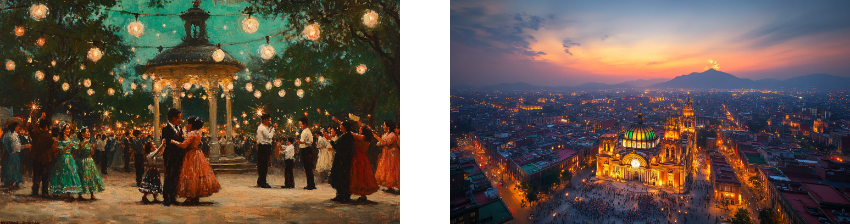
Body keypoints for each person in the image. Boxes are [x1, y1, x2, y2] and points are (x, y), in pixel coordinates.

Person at [172, 117, 221, 205]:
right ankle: (195, 196)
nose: (186, 125)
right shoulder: (197, 133)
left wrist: (173, 142)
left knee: (191, 174)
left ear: (191, 125)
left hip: (191, 155)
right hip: (198, 154)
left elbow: (184, 145)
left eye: (187, 123)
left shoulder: (191, 134)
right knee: (197, 174)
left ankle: (190, 198)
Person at [49, 123, 82, 202]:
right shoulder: (61, 139)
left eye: (69, 128)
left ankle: (69, 192)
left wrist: (76, 145)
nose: (68, 130)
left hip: (70, 158)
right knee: (63, 174)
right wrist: (68, 146)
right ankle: (64, 193)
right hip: (63, 158)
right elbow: (61, 151)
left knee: (71, 173)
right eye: (67, 129)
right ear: (63, 130)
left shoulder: (69, 138)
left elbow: (76, 147)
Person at [162, 108, 186, 206]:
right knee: (169, 176)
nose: (180, 119)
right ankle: (166, 198)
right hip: (170, 156)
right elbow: (166, 142)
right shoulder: (166, 129)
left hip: (178, 156)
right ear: (173, 118)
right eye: (179, 117)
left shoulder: (179, 128)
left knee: (175, 177)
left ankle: (172, 197)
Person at [350, 124, 379, 202]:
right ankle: (362, 195)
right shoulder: (366, 138)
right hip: (363, 157)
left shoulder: (362, 137)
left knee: (359, 176)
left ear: (363, 131)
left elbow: (352, 134)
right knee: (363, 176)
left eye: (360, 129)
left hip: (359, 157)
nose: (359, 129)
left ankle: (362, 195)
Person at [329, 118, 355, 203]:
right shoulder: (350, 136)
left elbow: (336, 147)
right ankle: (345, 195)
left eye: (341, 126)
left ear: (344, 127)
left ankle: (340, 195)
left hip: (341, 159)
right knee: (345, 177)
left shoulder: (344, 136)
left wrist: (331, 140)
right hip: (347, 159)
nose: (340, 127)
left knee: (340, 176)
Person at [75, 127, 104, 199]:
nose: (88, 133)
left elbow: (92, 154)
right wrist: (83, 144)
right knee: (82, 177)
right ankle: (80, 194)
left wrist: (92, 149)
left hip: (89, 161)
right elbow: (77, 152)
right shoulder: (79, 142)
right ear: (82, 134)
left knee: (91, 177)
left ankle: (92, 194)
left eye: (89, 132)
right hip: (82, 161)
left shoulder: (90, 142)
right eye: (87, 132)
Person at [30, 119, 56, 197]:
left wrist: (38, 120)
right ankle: (44, 192)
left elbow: (30, 128)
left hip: (36, 157)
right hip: (45, 158)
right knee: (45, 176)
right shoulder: (48, 135)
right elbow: (50, 146)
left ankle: (35, 191)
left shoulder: (35, 133)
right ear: (46, 126)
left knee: (36, 175)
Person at [2, 119, 31, 189]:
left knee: (9, 168)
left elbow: (5, 145)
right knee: (15, 168)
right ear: (14, 127)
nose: (18, 127)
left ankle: (10, 181)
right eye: (17, 126)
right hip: (14, 154)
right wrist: (25, 146)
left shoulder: (6, 135)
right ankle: (17, 182)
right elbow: (16, 147)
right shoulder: (13, 136)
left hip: (8, 154)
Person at [373, 120, 400, 193]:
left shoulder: (393, 135)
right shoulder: (385, 134)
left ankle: (391, 186)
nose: (383, 126)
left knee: (391, 169)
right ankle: (388, 186)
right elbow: (380, 143)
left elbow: (386, 143)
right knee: (385, 169)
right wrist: (379, 141)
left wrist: (376, 137)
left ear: (388, 127)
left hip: (392, 154)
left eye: (384, 125)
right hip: (385, 153)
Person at [255, 113, 276, 188]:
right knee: (263, 164)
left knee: (263, 164)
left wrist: (270, 129)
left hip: (264, 147)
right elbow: (269, 136)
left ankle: (260, 181)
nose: (269, 122)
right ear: (264, 120)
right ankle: (262, 182)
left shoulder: (264, 127)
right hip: (264, 147)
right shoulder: (263, 128)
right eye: (268, 120)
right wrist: (273, 129)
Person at [140, 139, 164, 204]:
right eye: (153, 144)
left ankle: (155, 196)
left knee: (155, 183)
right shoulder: (149, 155)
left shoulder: (152, 153)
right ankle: (146, 197)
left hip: (154, 170)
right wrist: (162, 144)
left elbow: (158, 151)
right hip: (151, 171)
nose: (155, 145)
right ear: (150, 147)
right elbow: (157, 151)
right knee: (151, 183)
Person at [296, 117, 316, 190]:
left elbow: (310, 142)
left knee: (308, 167)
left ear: (304, 123)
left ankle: (310, 185)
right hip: (304, 149)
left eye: (300, 124)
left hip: (307, 150)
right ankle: (310, 184)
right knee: (307, 168)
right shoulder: (304, 131)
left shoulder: (308, 131)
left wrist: (303, 142)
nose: (300, 125)